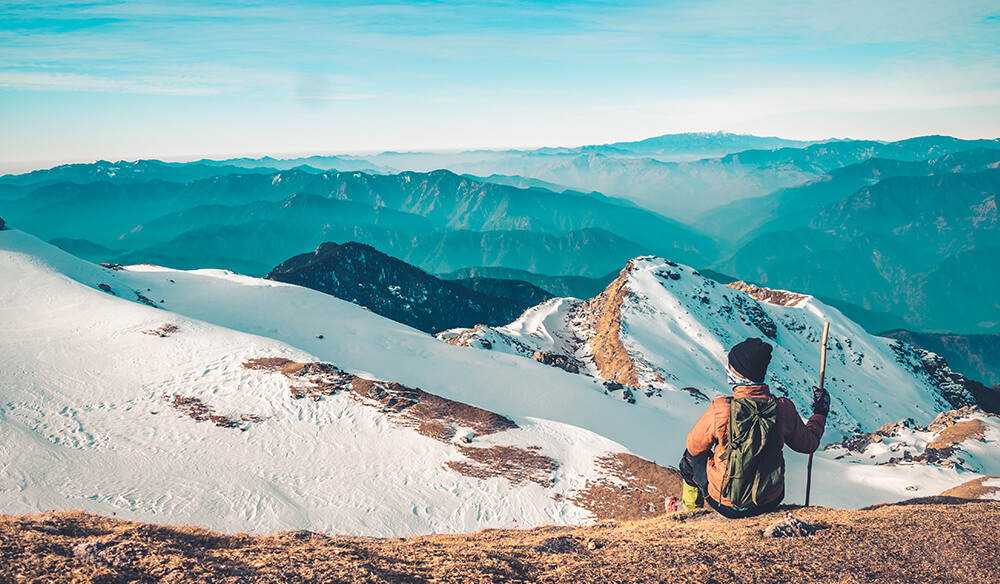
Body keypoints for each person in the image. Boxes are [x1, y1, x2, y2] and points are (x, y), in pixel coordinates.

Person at [678, 337, 829, 518]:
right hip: (769, 500)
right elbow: (809, 444)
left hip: (724, 502)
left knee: (688, 459)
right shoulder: (782, 408)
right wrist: (820, 411)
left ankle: (692, 512)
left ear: (739, 372)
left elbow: (695, 447)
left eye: (731, 366)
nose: (728, 369)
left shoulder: (722, 409)